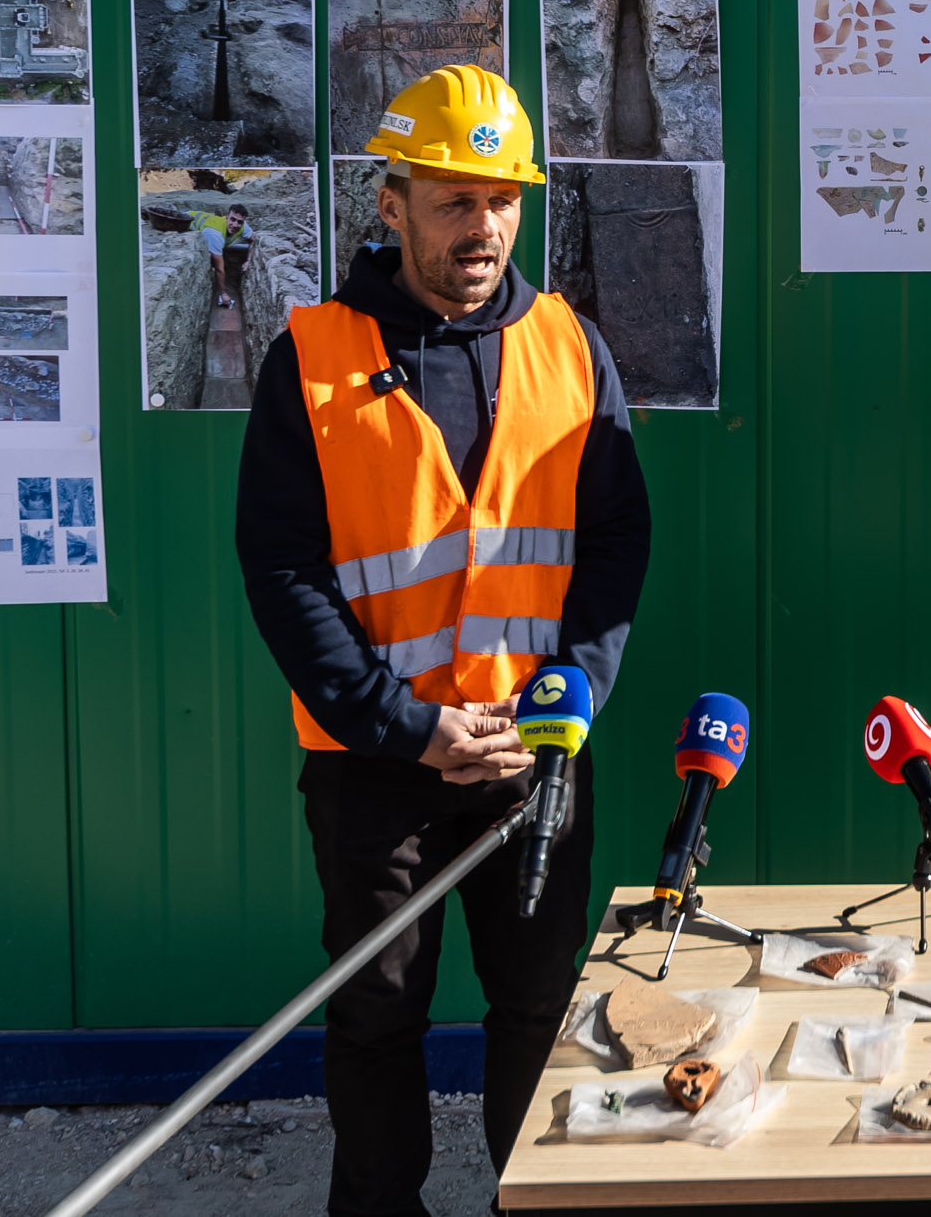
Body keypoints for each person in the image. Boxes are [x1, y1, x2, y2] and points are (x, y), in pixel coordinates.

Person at [235, 63, 651, 1216]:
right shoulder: (313, 357)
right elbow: (281, 569)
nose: (482, 227)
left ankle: (531, 1203)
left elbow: (615, 539)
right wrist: (406, 727)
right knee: (376, 1015)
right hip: (376, 768)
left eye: (501, 199)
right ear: (393, 202)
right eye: (453, 199)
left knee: (534, 1007)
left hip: (534, 753)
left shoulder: (571, 347)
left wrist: (571, 690)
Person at [190, 202, 254, 306]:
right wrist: (223, 294)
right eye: (232, 219)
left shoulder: (243, 226)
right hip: (186, 222)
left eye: (239, 222)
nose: (235, 225)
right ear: (226, 217)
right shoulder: (216, 234)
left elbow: (252, 241)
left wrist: (248, 261)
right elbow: (219, 268)